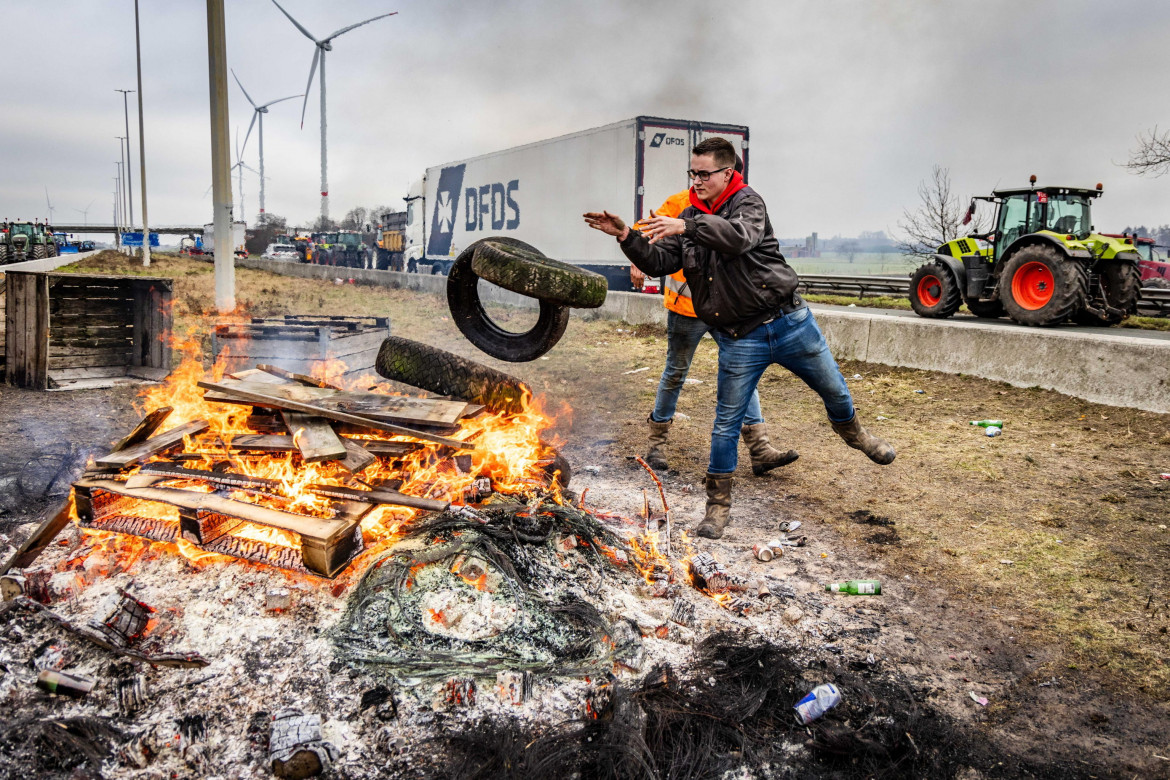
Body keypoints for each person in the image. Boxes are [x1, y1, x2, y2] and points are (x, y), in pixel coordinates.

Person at [585, 137, 895, 539]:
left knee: (835, 392)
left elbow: (738, 238)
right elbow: (661, 260)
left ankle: (856, 436)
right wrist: (627, 235)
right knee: (726, 424)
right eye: (691, 174)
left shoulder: (749, 204)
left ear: (727, 173)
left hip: (789, 324)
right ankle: (717, 507)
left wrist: (687, 224)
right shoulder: (690, 215)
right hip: (739, 338)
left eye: (703, 173)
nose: (696, 180)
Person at [631, 156, 796, 477]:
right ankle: (657, 444)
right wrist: (638, 258)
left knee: (742, 371)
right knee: (676, 372)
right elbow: (644, 230)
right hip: (686, 307)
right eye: (701, 175)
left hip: (728, 311)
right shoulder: (680, 203)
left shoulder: (741, 205)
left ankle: (760, 448)